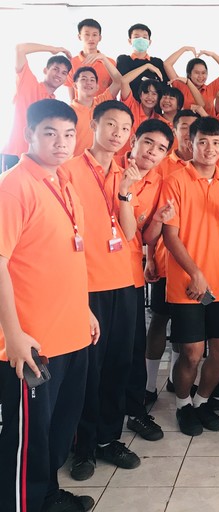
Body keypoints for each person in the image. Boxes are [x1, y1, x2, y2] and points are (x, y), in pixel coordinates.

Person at [0, 99, 99, 512]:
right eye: (50, 133)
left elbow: (66, 255)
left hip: (72, 334)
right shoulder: (13, 186)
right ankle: (23, 503)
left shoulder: (62, 183)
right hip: (33, 343)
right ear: (29, 135)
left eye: (69, 134)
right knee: (28, 440)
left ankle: (47, 496)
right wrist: (13, 335)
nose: (61, 142)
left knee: (58, 429)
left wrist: (84, 309)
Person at [61, 100, 142, 480]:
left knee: (118, 365)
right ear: (93, 125)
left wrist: (125, 194)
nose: (117, 134)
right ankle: (84, 447)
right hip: (86, 285)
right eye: (110, 124)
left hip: (123, 282)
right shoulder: (69, 170)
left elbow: (129, 232)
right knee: (88, 372)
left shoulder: (126, 173)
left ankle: (110, 438)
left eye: (124, 128)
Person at [160, 116, 219, 437]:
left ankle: (201, 401)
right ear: (190, 144)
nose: (209, 149)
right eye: (202, 142)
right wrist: (195, 272)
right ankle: (183, 404)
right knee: (192, 353)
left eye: (215, 143)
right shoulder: (176, 180)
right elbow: (170, 236)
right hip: (187, 283)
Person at [119, 119, 174, 441]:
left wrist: (158, 221)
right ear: (134, 142)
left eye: (161, 148)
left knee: (132, 346)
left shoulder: (157, 183)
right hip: (93, 277)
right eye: (148, 143)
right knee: (99, 354)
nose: (152, 152)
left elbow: (145, 237)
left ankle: (135, 411)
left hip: (130, 275)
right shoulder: (112, 172)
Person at [145, 110, 200, 404]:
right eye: (184, 127)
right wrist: (150, 257)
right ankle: (148, 384)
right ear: (175, 131)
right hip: (166, 259)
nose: (189, 134)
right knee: (159, 319)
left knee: (186, 329)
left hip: (196, 262)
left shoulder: (208, 165)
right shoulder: (162, 166)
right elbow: (154, 216)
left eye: (194, 128)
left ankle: (174, 380)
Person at [2, 43, 72, 171]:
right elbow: (20, 49)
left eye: (64, 73)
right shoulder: (29, 84)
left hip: (37, 159)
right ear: (45, 70)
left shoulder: (55, 104)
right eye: (55, 69)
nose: (59, 74)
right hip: (15, 154)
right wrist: (52, 49)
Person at [70, 64, 123, 156]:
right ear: (75, 85)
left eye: (92, 80)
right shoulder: (69, 112)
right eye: (84, 79)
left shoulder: (101, 102)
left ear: (97, 87)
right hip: (77, 162)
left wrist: (103, 59)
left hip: (101, 162)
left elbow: (119, 81)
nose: (88, 82)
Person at [163, 46, 219, 115]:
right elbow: (167, 64)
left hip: (209, 122)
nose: (200, 76)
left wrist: (213, 54)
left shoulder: (211, 89)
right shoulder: (181, 86)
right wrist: (184, 49)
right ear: (189, 74)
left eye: (203, 73)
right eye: (197, 73)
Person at [65, 18, 118, 99]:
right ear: (79, 37)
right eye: (87, 34)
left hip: (106, 106)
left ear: (100, 38)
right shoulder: (71, 63)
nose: (91, 38)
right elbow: (72, 97)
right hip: (81, 107)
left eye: (94, 35)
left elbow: (116, 87)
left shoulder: (110, 62)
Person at [116, 23, 168, 99]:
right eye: (136, 37)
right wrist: (147, 66)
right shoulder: (123, 60)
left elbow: (165, 86)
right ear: (130, 41)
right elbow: (122, 81)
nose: (141, 40)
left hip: (153, 105)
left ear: (149, 42)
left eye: (144, 37)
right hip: (129, 104)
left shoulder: (157, 62)